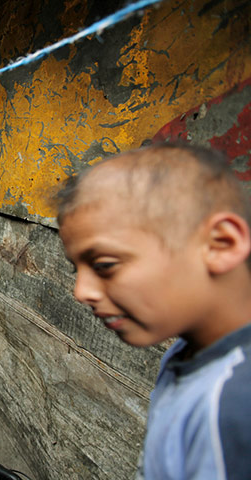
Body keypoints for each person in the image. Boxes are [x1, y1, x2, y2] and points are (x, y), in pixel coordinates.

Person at [56, 143, 251, 479]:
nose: (81, 293)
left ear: (221, 244)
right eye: (76, 270)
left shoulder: (233, 408)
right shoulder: (185, 351)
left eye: (104, 265)